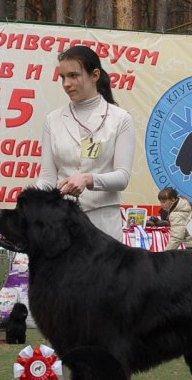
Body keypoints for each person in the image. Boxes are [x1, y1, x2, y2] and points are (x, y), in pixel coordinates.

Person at [36, 45, 135, 241]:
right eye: (63, 77)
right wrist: (29, 204)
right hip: (62, 223)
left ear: (95, 75)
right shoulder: (52, 120)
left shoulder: (121, 119)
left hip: (103, 224)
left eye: (74, 75)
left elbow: (122, 177)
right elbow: (47, 177)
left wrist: (89, 179)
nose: (66, 83)